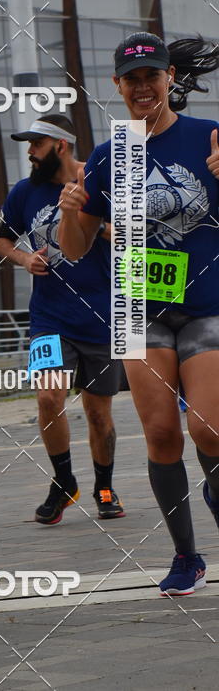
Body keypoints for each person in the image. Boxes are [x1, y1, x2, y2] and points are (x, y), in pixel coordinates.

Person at [57, 32, 219, 596]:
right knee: (160, 436)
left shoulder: (208, 137)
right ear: (117, 87)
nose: (143, 87)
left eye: (152, 76)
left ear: (170, 78)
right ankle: (186, 557)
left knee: (210, 429)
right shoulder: (112, 154)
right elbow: (74, 249)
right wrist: (72, 212)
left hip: (206, 305)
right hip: (136, 308)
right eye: (132, 79)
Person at [0, 114, 125, 525]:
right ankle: (64, 481)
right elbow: (0, 239)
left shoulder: (101, 183)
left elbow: (139, 237)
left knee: (99, 412)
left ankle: (104, 484)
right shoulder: (23, 193)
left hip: (102, 317)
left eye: (36, 144)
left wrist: (105, 229)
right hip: (48, 317)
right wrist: (23, 257)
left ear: (61, 146)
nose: (30, 152)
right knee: (49, 396)